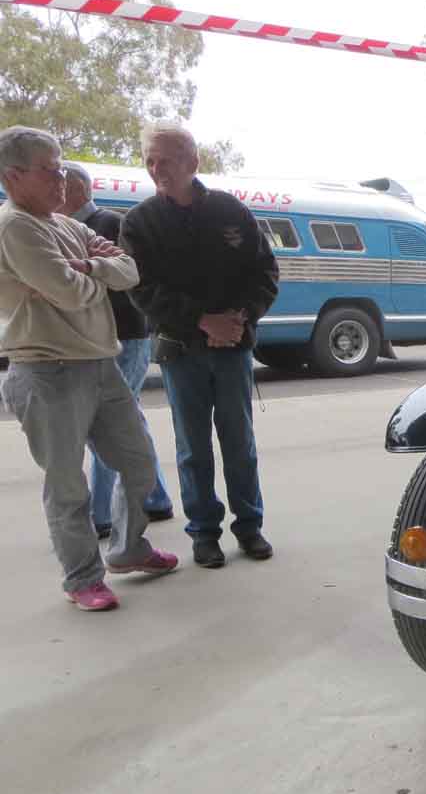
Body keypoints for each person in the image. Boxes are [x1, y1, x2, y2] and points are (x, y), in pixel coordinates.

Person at [0, 126, 178, 611]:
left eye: (61, 167)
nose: (61, 178)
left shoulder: (65, 225)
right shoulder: (15, 227)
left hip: (101, 364)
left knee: (138, 462)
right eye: (48, 169)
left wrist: (89, 267)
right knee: (68, 485)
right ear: (13, 177)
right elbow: (70, 293)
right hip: (47, 369)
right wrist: (87, 273)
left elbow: (129, 271)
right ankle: (82, 578)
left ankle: (129, 548)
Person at [121, 122, 279, 569]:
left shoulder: (231, 211)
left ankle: (249, 526)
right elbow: (141, 289)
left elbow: (265, 272)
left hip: (233, 346)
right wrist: (201, 320)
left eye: (166, 160)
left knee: (239, 442)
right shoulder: (139, 223)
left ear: (193, 162)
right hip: (180, 351)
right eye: (150, 161)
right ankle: (204, 533)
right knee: (193, 448)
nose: (157, 169)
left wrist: (240, 317)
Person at [60, 161, 175, 538]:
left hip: (123, 336)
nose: (55, 193)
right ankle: (155, 499)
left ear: (78, 190)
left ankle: (100, 515)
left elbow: (126, 279)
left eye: (60, 184)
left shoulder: (107, 223)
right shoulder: (73, 226)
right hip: (108, 337)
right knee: (129, 420)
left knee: (107, 424)